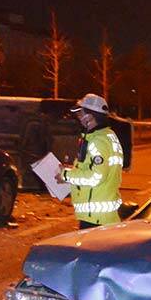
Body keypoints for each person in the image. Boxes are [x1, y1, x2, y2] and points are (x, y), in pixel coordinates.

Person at [57, 94, 124, 228]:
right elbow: (90, 167)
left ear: (90, 116)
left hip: (95, 218)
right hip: (100, 216)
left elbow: (95, 176)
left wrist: (66, 175)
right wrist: (69, 171)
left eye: (81, 114)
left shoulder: (98, 141)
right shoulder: (107, 136)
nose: (79, 118)